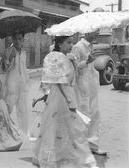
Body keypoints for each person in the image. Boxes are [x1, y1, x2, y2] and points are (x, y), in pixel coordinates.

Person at [32, 36, 98, 168]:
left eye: (72, 42)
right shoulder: (54, 57)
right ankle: (55, 157)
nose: (71, 45)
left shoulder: (68, 57)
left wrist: (84, 62)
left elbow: (75, 73)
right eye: (68, 42)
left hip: (69, 93)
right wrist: (69, 100)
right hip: (60, 95)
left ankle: (66, 154)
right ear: (59, 43)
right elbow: (59, 81)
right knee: (62, 126)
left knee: (70, 128)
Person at [72, 32, 107, 155]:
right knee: (83, 115)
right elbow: (74, 66)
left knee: (95, 114)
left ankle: (93, 145)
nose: (97, 33)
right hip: (82, 86)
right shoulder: (78, 47)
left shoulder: (91, 46)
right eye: (95, 30)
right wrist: (87, 61)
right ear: (88, 31)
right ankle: (81, 146)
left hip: (92, 84)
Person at [3, 30, 30, 135]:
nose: (18, 41)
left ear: (23, 40)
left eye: (20, 39)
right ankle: (6, 130)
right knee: (9, 106)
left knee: (22, 108)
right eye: (16, 39)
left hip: (22, 83)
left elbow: (24, 68)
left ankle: (23, 131)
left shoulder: (23, 52)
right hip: (12, 83)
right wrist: (10, 59)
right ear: (12, 39)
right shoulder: (8, 51)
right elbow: (5, 69)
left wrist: (26, 81)